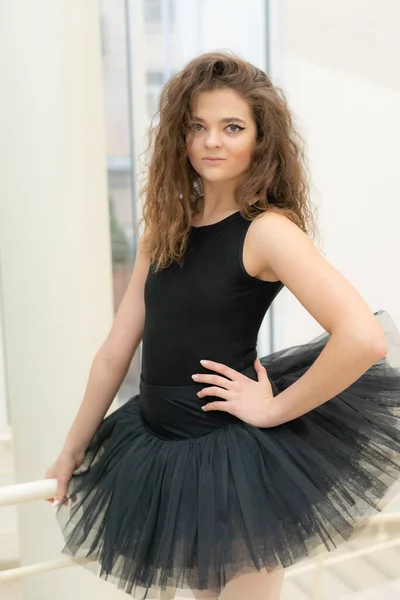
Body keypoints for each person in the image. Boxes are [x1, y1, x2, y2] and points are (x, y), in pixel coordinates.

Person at [44, 51, 400, 600]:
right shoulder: (165, 226)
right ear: (180, 138)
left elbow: (363, 337)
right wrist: (73, 445)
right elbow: (117, 349)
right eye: (198, 126)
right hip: (164, 454)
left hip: (233, 458)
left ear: (260, 139)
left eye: (232, 127)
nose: (212, 141)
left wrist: (273, 407)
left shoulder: (268, 231)